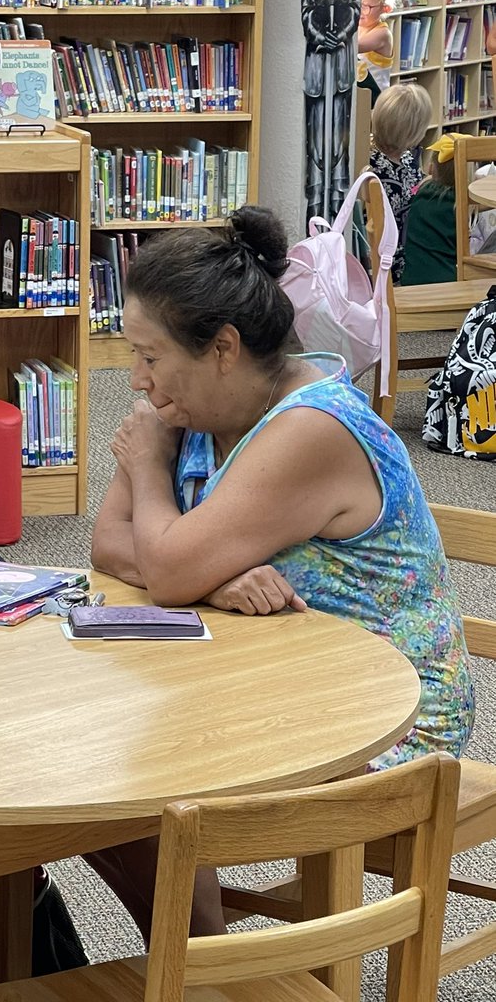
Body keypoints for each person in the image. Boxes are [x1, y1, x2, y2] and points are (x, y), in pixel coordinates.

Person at [89, 208, 475, 941]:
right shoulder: (196, 406)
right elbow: (110, 545)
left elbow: (163, 568)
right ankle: (190, 961)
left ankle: (194, 968)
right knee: (91, 755)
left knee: (128, 775)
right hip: (264, 682)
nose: (138, 383)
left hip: (381, 724)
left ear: (223, 348)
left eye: (151, 356)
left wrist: (148, 474)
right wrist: (211, 574)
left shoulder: (310, 427)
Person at [301, 0, 362, 223]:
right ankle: (313, 196)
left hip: (340, 53)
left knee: (340, 124)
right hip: (316, 50)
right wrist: (315, 31)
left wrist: (341, 35)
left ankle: (337, 199)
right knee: (315, 126)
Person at [369, 82, 431, 281]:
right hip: (395, 260)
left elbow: (416, 182)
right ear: (412, 133)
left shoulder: (404, 156)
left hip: (402, 247)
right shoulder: (381, 172)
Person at [401, 132, 472, 285]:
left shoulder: (420, 192)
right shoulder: (460, 204)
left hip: (410, 281)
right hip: (447, 283)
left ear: (431, 167)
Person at [357, 0, 397, 100]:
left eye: (365, 7)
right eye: (357, 4)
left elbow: (355, 46)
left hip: (376, 98)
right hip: (361, 94)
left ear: (385, 8)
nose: (359, 12)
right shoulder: (360, 25)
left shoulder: (382, 34)